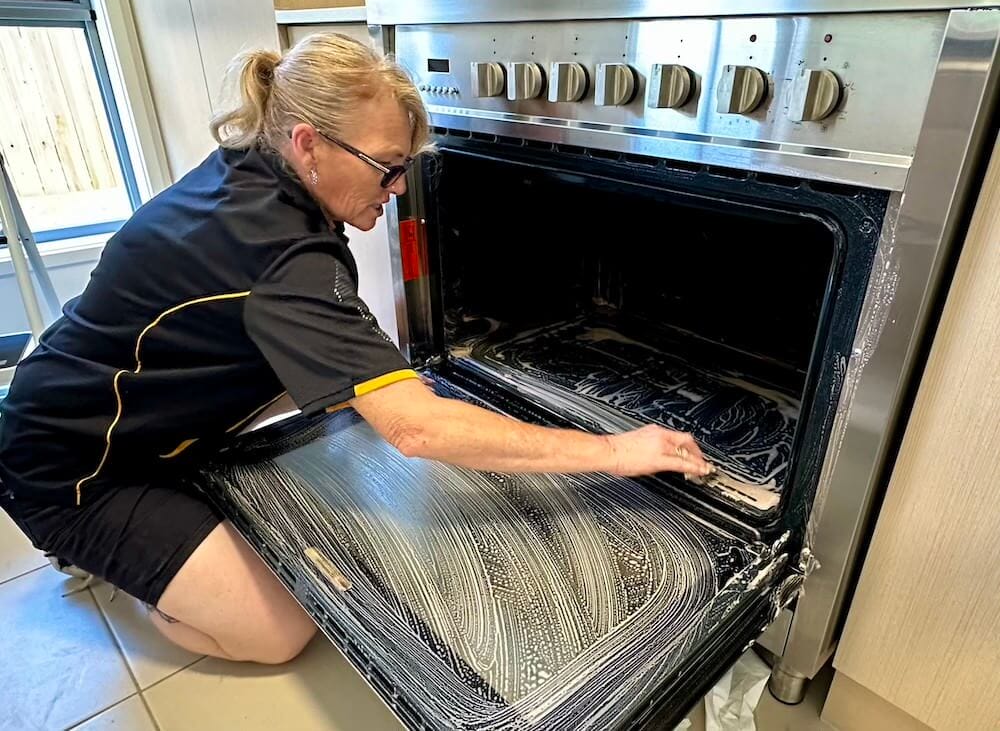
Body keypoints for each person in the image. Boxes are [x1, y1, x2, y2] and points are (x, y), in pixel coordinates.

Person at [0, 34, 711, 665]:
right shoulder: (282, 257)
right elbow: (416, 427)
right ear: (307, 143)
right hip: (73, 464)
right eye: (387, 167)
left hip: (122, 406)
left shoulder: (256, 170)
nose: (398, 188)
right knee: (276, 631)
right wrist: (617, 451)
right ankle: (127, 578)